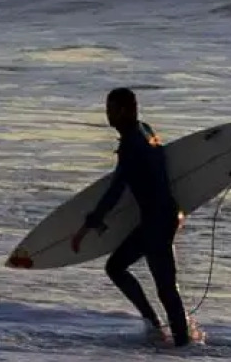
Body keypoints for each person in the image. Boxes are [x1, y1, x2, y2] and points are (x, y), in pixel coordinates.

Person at [71, 88, 191, 347]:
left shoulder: (130, 145)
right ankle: (164, 330)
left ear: (124, 110)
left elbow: (116, 191)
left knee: (163, 286)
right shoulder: (145, 131)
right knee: (122, 269)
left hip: (156, 221)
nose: (108, 116)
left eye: (111, 110)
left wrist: (88, 226)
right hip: (166, 214)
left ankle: (177, 341)